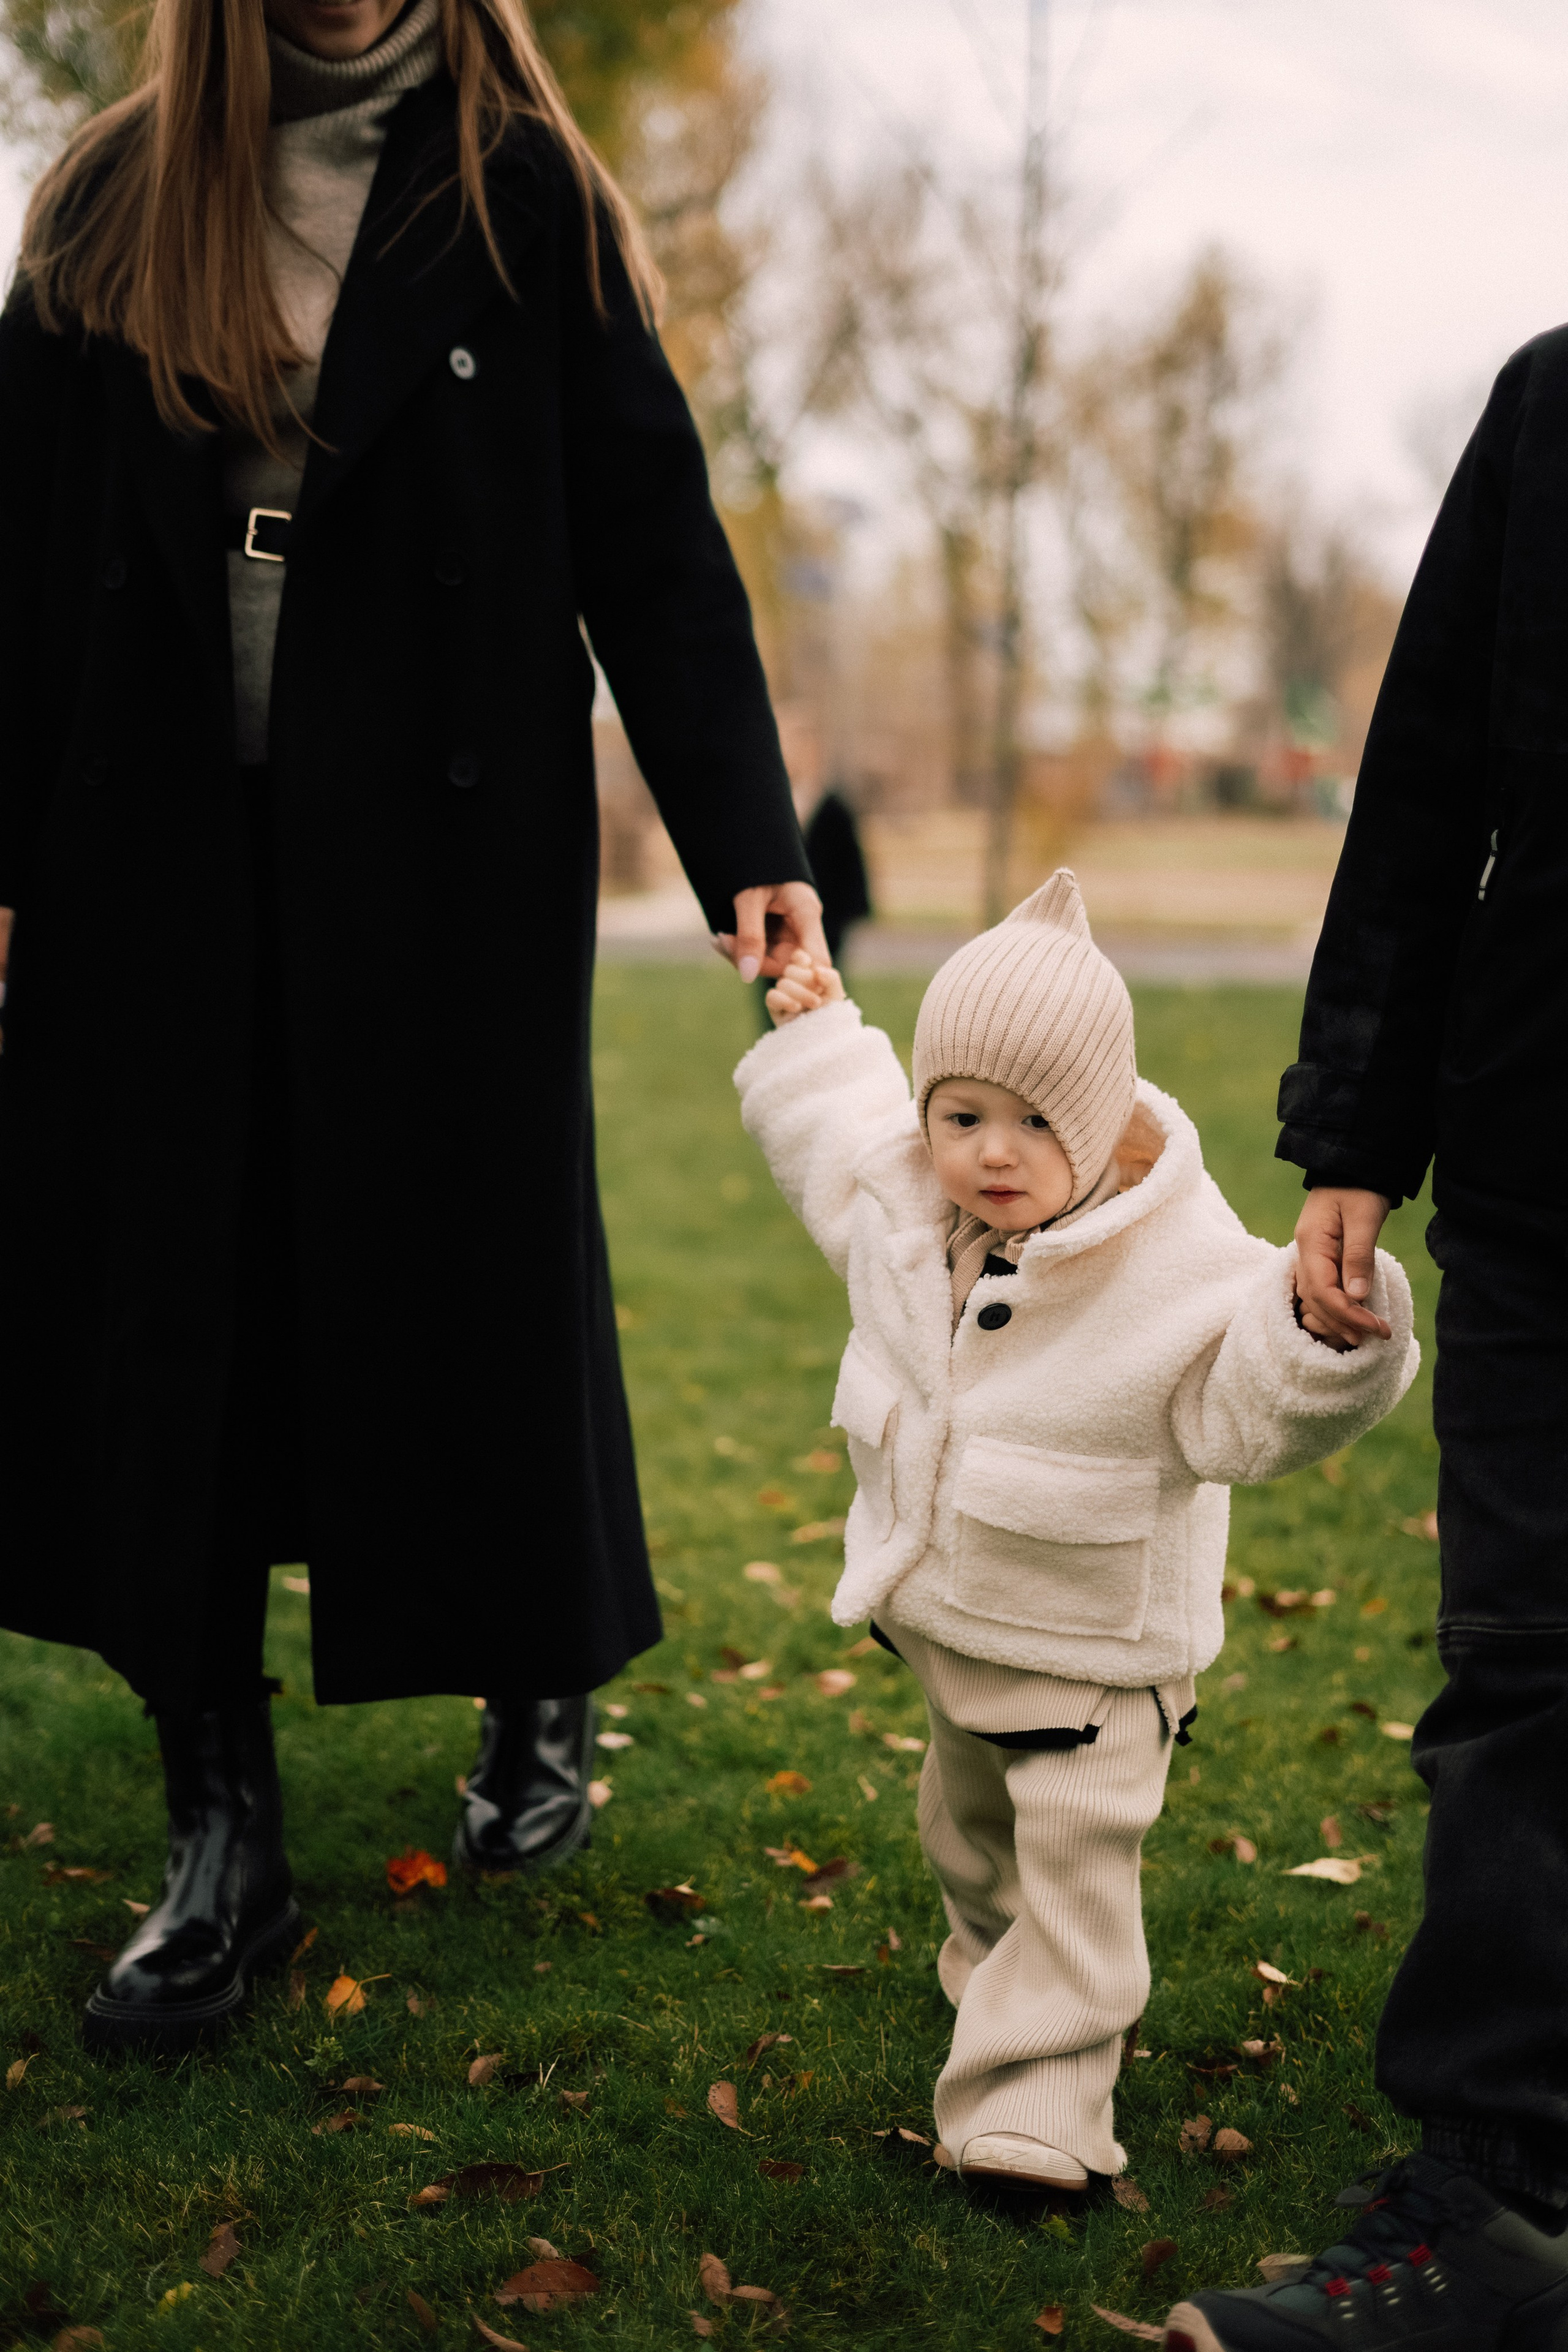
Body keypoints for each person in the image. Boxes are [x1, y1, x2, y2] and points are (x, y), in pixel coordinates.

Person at [0, 0, 824, 2053]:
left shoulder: (524, 194)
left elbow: (651, 536)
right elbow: (8, 557)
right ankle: (223, 1828)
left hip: (449, 848)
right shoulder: (109, 196)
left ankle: (532, 1669)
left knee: (466, 1286)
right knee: (172, 1299)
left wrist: (748, 839)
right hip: (151, 844)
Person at [736, 873, 1415, 2192]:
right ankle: (996, 1991)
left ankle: (1040, 2107)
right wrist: (817, 1030)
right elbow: (834, 1133)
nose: (991, 1151)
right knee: (969, 1840)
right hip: (954, 1622)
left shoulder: (1179, 1264)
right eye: (962, 1114)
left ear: (1102, 1128)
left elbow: (1247, 1407)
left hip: (1095, 1653)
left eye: (1037, 1121)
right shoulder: (903, 1208)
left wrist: (1316, 1337)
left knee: (1067, 1875)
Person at [1164, 331, 1568, 2352]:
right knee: (1528, 1674)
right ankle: (1498, 2200)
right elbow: (1422, 787)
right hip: (1544, 1161)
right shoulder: (1553, 409)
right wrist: (1355, 1125)